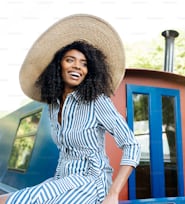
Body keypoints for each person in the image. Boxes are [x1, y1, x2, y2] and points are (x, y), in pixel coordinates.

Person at [0, 14, 140, 204]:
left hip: (92, 182)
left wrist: (113, 194)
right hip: (62, 180)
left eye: (84, 64)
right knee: (6, 200)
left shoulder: (97, 101)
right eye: (70, 60)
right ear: (57, 65)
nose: (77, 67)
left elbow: (131, 144)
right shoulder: (53, 106)